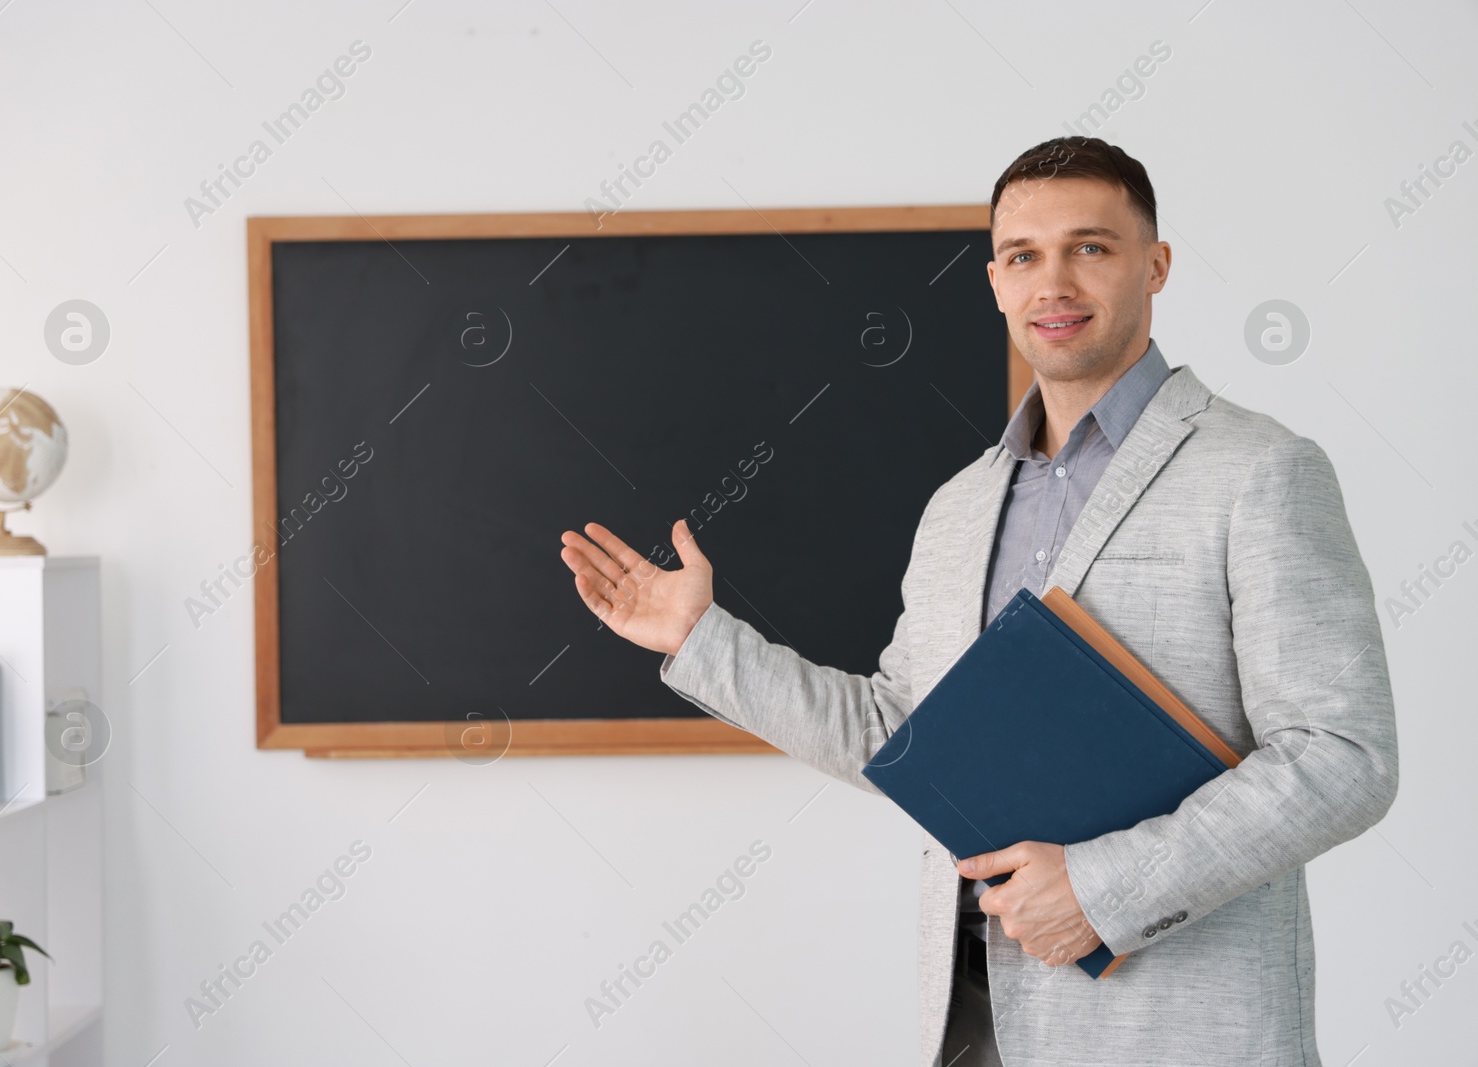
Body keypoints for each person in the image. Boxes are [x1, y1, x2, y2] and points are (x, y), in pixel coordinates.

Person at [558, 136, 1397, 1067]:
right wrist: (701, 639)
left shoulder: (1261, 471)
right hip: (976, 1025)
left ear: (1155, 264)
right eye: (1025, 256)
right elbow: (902, 731)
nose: (1056, 283)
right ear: (995, 280)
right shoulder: (959, 506)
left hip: (1176, 1032)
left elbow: (1341, 757)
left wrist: (1100, 889)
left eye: (1092, 247)